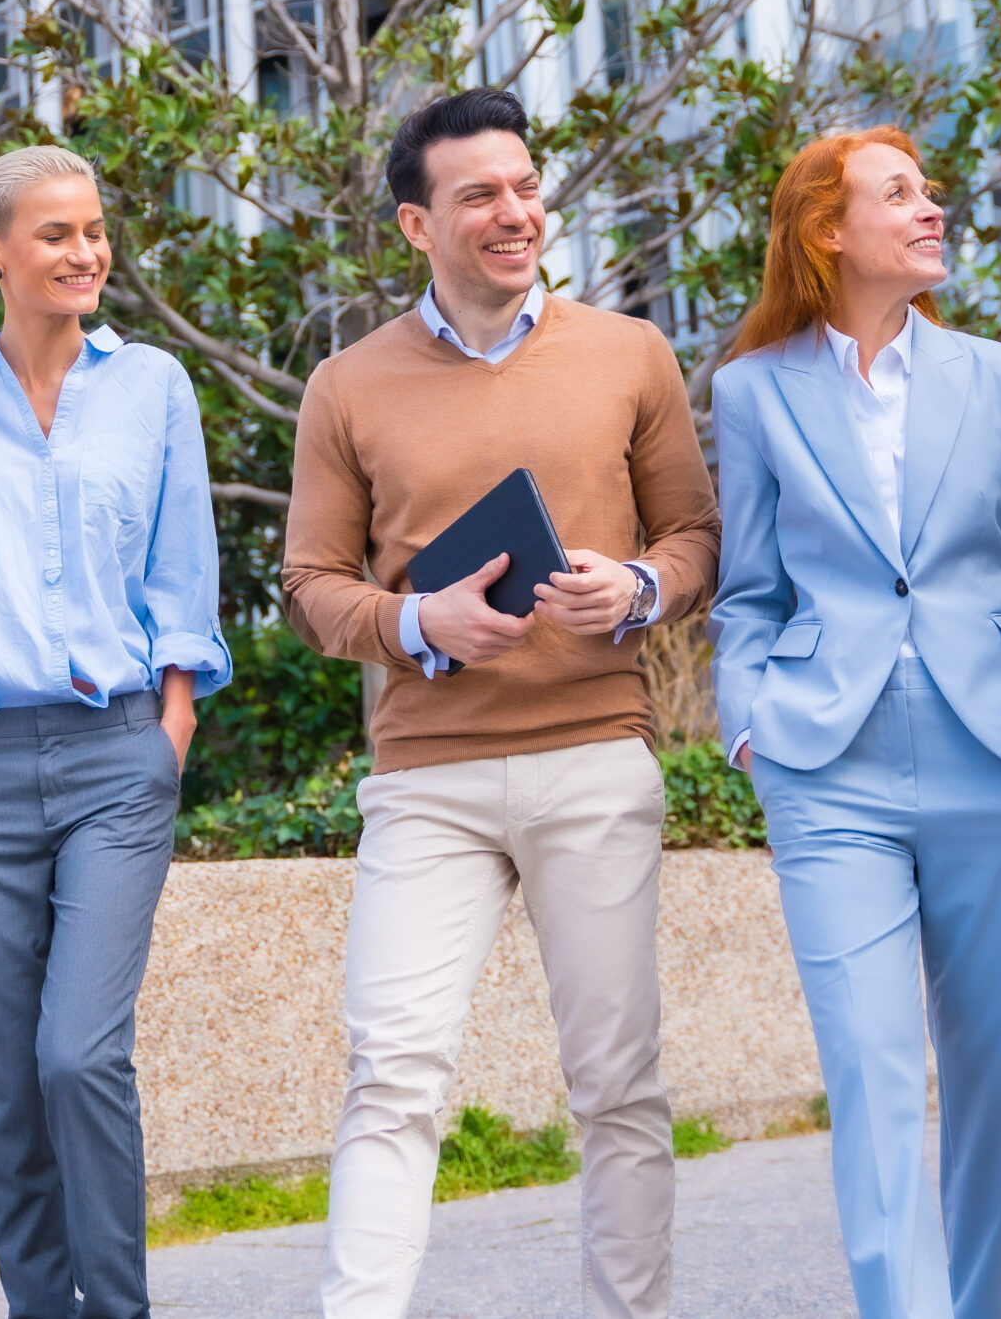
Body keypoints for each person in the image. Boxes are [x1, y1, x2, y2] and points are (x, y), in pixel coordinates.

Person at [280, 87, 721, 1319]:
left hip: (595, 753)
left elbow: (695, 538)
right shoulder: (346, 385)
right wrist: (421, 622)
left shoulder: (630, 353)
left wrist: (634, 589)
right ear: (419, 226)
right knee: (393, 1073)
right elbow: (312, 587)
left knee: (618, 1084)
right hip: (426, 777)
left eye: (525, 187)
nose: (515, 212)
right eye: (481, 195)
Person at [707, 129, 1001, 1319]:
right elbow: (749, 592)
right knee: (873, 1076)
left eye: (929, 192)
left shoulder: (996, 375)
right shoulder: (751, 390)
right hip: (827, 769)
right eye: (900, 195)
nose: (931, 210)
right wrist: (750, 728)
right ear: (827, 230)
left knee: (993, 1084)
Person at [0, 144, 231, 1319]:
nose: (86, 252)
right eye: (55, 235)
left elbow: (184, 565)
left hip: (115, 759)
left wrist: (173, 719)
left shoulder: (156, 388)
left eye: (94, 230)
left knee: (77, 1053)